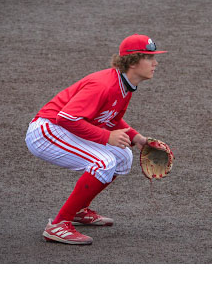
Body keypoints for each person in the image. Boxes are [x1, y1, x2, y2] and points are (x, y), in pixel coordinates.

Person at [25, 34, 168, 245]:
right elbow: (65, 118)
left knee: (122, 157)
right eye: (149, 57)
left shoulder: (124, 84)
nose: (155, 63)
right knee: (103, 162)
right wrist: (106, 137)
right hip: (46, 131)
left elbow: (111, 117)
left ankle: (78, 210)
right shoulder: (104, 84)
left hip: (62, 127)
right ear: (133, 61)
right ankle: (58, 225)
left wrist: (136, 137)